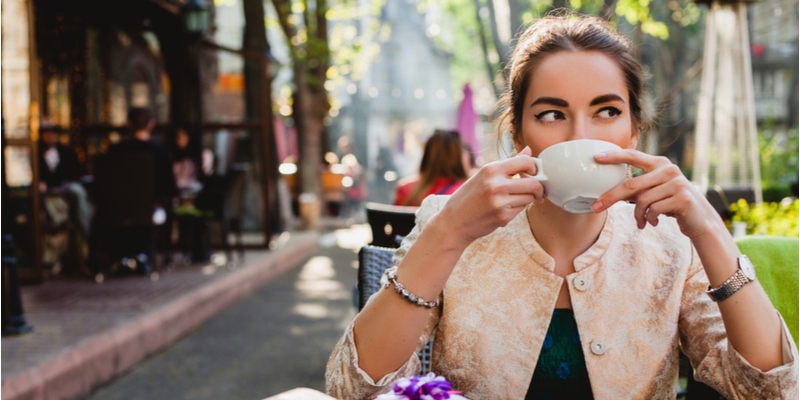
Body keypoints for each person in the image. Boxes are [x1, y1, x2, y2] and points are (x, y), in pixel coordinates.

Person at [326, 14, 798, 399]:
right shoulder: (453, 224)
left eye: (607, 112)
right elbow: (352, 389)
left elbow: (773, 391)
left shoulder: (671, 240)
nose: (581, 138)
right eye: (551, 114)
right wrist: (447, 233)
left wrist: (710, 231)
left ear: (634, 131)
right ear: (517, 134)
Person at [103, 107, 177, 272]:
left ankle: (124, 256)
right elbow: (170, 188)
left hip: (118, 212)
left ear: (129, 124)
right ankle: (143, 255)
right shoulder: (161, 152)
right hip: (150, 211)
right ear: (151, 124)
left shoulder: (116, 151)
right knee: (157, 211)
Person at [393, 130, 469, 207]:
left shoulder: (403, 189)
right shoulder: (464, 194)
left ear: (427, 155)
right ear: (457, 157)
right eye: (465, 150)